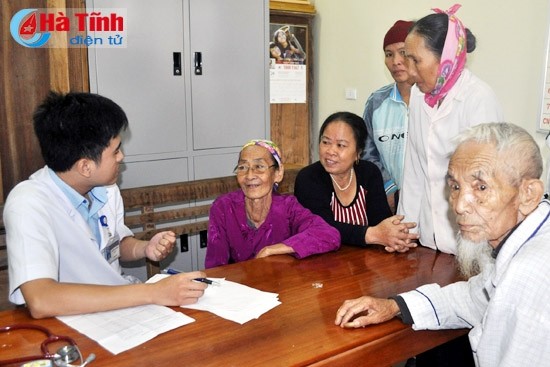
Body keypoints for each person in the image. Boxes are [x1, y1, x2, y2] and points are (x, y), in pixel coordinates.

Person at [335, 122, 550, 366]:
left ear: (528, 194)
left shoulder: (531, 272)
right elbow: (475, 297)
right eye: (456, 186)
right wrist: (395, 306)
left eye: (481, 187)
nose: (459, 205)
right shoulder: (520, 243)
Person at [4, 92, 207, 319]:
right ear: (85, 167)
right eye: (116, 150)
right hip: (71, 322)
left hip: (122, 311)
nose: (121, 157)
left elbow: (114, 245)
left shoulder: (106, 189)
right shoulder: (28, 204)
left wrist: (144, 248)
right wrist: (152, 292)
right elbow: (42, 300)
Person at [397, 4, 504, 254]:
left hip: (468, 241)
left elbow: (486, 182)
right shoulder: (418, 94)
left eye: (416, 60)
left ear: (445, 57)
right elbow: (414, 168)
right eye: (407, 59)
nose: (410, 72)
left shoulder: (478, 98)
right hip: (426, 235)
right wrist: (406, 230)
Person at [205, 139, 340, 268]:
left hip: (278, 285)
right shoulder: (223, 208)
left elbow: (329, 234)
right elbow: (215, 268)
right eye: (243, 167)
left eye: (259, 166)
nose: (250, 175)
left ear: (278, 173)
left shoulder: (288, 207)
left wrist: (273, 249)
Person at [295, 112, 418, 252]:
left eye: (341, 145)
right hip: (322, 261)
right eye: (325, 142)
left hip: (365, 261)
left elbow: (380, 220)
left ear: (358, 152)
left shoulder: (369, 173)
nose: (331, 151)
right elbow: (322, 228)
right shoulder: (309, 178)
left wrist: (396, 237)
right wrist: (372, 234)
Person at [363, 20, 414, 214]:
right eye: (389, 54)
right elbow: (368, 152)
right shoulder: (377, 102)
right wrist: (388, 188)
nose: (396, 61)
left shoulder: (433, 100)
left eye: (403, 52)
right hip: (390, 202)